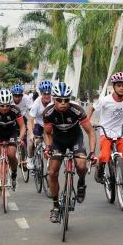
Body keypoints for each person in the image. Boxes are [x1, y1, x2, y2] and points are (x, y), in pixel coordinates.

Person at [43, 82, 96, 223]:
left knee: (81, 165)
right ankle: (55, 206)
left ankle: (81, 183)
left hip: (75, 139)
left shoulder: (77, 110)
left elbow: (90, 132)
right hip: (58, 141)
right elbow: (47, 133)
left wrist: (92, 152)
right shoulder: (48, 113)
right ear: (54, 99)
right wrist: (48, 147)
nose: (63, 103)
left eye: (66, 100)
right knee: (52, 172)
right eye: (59, 100)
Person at [88, 72, 123, 186]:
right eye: (119, 85)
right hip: (106, 131)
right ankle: (100, 170)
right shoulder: (105, 100)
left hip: (121, 132)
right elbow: (92, 108)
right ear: (114, 86)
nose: (121, 88)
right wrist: (88, 121)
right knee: (105, 155)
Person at [0, 89, 26, 191]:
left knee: (11, 154)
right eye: (2, 105)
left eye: (7, 105)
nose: (5, 108)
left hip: (11, 131)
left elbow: (22, 126)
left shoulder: (15, 110)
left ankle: (14, 175)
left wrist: (20, 138)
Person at [26, 80, 52, 169]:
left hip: (50, 124)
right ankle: (29, 159)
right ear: (41, 93)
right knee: (32, 142)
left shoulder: (54, 102)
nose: (47, 96)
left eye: (48, 93)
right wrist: (31, 134)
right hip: (39, 124)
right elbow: (30, 121)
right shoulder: (36, 103)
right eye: (44, 94)